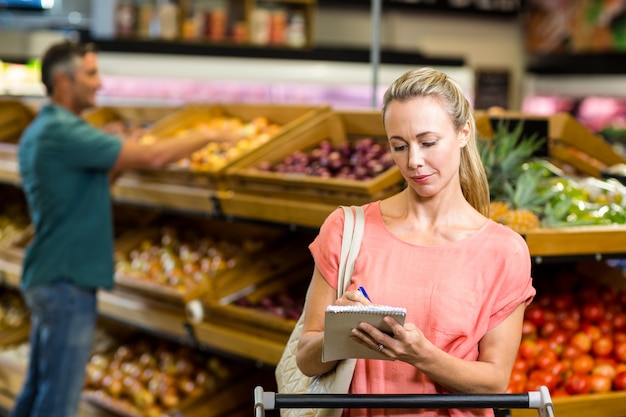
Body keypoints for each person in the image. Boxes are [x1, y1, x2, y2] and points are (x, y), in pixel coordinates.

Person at [11, 40, 237, 417]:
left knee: (38, 389)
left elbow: (88, 185)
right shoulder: (63, 130)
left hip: (52, 274)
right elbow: (157, 155)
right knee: (59, 402)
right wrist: (211, 135)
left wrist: (121, 149)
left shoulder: (47, 128)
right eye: (91, 74)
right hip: (67, 279)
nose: (99, 84)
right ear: (63, 81)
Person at [295, 67, 536, 417]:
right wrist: (340, 333)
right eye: (399, 146)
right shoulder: (347, 228)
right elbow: (305, 360)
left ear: (464, 132)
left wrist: (420, 354)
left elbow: (494, 382)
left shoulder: (504, 251)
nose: (414, 162)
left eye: (428, 142)